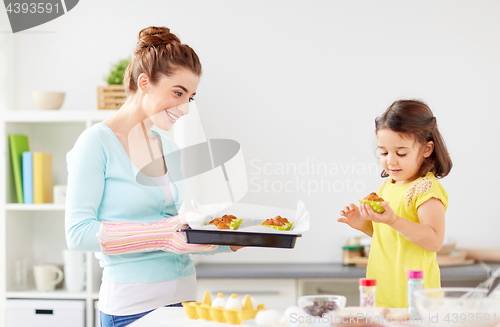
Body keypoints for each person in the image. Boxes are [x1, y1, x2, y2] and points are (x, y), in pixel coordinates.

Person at [65, 26, 239, 327]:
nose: (185, 108)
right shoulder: (96, 142)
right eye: (177, 93)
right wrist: (163, 233)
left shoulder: (168, 146)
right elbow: (78, 234)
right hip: (131, 308)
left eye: (190, 97)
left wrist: (235, 239)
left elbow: (176, 232)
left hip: (184, 302)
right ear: (144, 82)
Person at [338, 99, 452, 308]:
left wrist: (393, 220)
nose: (391, 161)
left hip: (415, 300)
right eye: (383, 152)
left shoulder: (426, 188)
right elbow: (391, 235)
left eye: (401, 153)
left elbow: (434, 240)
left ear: (426, 149)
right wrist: (364, 224)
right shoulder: (388, 186)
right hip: (382, 295)